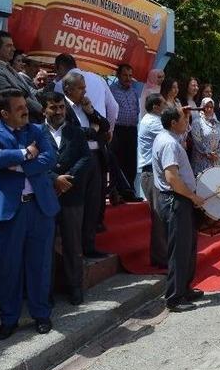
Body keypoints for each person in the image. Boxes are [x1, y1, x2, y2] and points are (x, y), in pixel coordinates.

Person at [0, 89, 60, 340]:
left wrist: (14, 165)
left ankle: (41, 314)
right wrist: (25, 154)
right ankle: (9, 318)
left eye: (25, 105)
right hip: (6, 212)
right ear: (4, 113)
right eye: (19, 107)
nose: (25, 110)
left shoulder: (37, 130)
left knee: (40, 265)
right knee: (8, 268)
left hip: (39, 207)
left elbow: (50, 157)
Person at [152, 106, 207, 313]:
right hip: (176, 201)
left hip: (179, 200)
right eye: (183, 118)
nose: (186, 121)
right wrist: (192, 196)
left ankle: (184, 288)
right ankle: (174, 297)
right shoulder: (168, 144)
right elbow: (172, 178)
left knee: (188, 247)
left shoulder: (168, 138)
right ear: (173, 123)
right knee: (179, 250)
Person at [40, 91, 91, 306]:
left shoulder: (76, 132)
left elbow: (86, 158)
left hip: (72, 196)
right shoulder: (35, 133)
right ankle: (46, 290)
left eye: (61, 107)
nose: (59, 111)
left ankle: (74, 287)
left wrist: (66, 180)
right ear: (44, 109)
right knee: (45, 246)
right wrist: (55, 179)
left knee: (73, 244)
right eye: (54, 107)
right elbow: (32, 161)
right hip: (45, 196)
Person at [61, 71, 111, 259]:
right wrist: (92, 131)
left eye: (84, 88)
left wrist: (90, 111)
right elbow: (71, 132)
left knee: (93, 203)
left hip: (95, 157)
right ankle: (76, 250)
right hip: (76, 160)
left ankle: (89, 245)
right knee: (78, 204)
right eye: (81, 88)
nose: (84, 91)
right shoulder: (62, 106)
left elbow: (104, 126)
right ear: (68, 88)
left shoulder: (84, 106)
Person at [0, 30, 44, 122]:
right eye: (8, 46)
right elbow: (14, 99)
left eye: (12, 45)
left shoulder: (7, 67)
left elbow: (29, 93)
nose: (13, 49)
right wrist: (43, 111)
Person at [138, 93, 168, 268]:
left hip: (156, 173)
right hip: (151, 173)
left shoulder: (153, 119)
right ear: (156, 106)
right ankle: (161, 257)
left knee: (162, 216)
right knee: (158, 217)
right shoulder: (152, 122)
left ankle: (162, 255)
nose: (166, 106)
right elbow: (173, 134)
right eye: (164, 103)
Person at [109, 64, 143, 196]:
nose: (128, 78)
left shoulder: (134, 91)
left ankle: (130, 191)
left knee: (131, 162)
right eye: (125, 75)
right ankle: (117, 192)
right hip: (118, 131)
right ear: (118, 75)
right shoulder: (112, 90)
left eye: (130, 75)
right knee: (118, 161)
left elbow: (137, 110)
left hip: (131, 131)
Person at [189, 97, 220, 174]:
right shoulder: (197, 122)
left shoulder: (217, 123)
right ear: (202, 107)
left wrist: (217, 153)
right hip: (202, 159)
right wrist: (207, 153)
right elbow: (197, 140)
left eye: (211, 107)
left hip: (215, 159)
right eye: (206, 107)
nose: (209, 109)